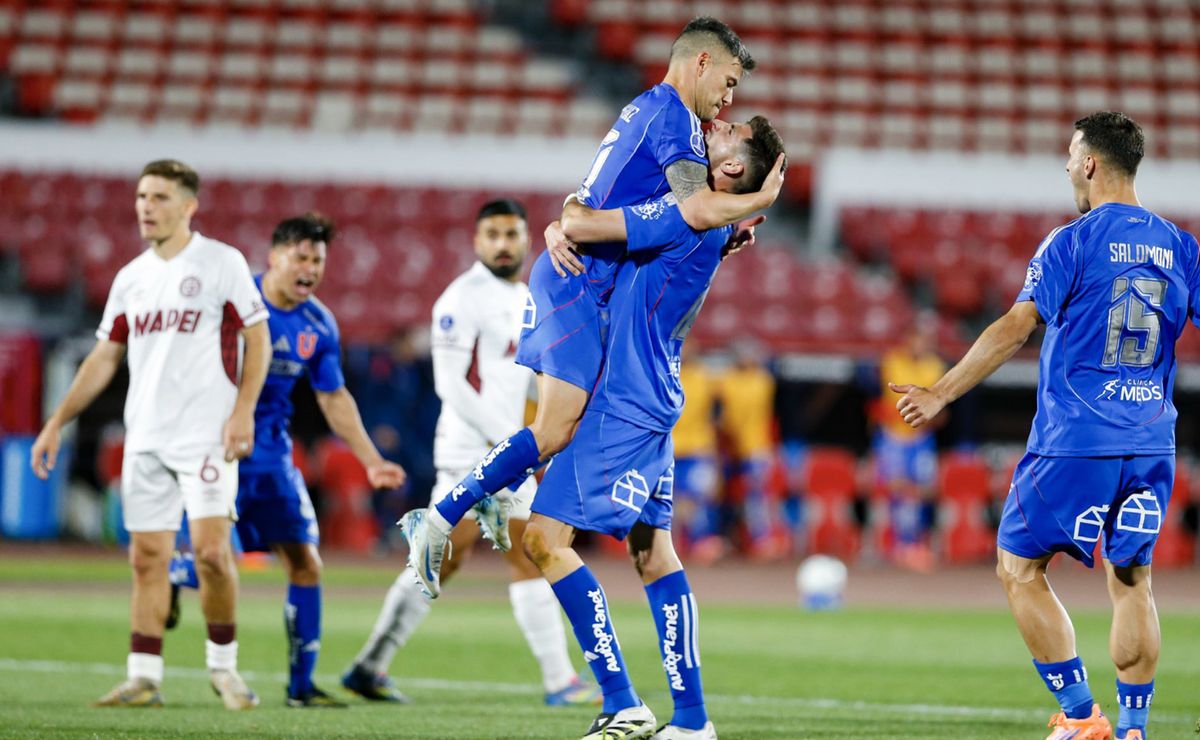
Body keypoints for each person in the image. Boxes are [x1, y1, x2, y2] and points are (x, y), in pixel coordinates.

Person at [404, 16, 785, 599]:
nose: (730, 98)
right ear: (701, 63)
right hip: (577, 282)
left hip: (584, 277)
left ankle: (474, 503)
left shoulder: (652, 109)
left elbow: (611, 199)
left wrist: (569, 215)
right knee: (554, 428)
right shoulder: (677, 121)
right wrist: (761, 199)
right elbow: (695, 208)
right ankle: (437, 521)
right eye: (730, 82)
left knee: (561, 429)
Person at [891, 112, 1194, 740]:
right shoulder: (1181, 246)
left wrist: (943, 390)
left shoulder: (1072, 241)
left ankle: (1083, 718)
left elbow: (1016, 325)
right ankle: (1135, 727)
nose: (1064, 167)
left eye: (1069, 155)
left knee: (1019, 567)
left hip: (1077, 441)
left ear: (1090, 163)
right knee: (1131, 576)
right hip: (1151, 443)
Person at [521, 118, 785, 740]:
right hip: (657, 394)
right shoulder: (708, 224)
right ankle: (691, 721)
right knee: (651, 553)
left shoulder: (690, 213)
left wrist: (564, 223)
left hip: (624, 401)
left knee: (542, 540)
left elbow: (585, 222)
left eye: (727, 133)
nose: (715, 123)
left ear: (727, 172)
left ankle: (620, 702)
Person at [30, 159, 271, 709]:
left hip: (206, 434)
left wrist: (244, 411)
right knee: (145, 558)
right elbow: (104, 356)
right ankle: (143, 677)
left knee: (211, 554)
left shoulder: (220, 262)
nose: (146, 206)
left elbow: (258, 340)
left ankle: (224, 669)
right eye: (141, 196)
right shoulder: (130, 278)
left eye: (159, 197)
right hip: (146, 437)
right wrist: (54, 421)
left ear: (189, 206)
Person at [342, 200, 600, 708]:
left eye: (511, 233)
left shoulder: (527, 296)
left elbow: (523, 380)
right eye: (493, 234)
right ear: (477, 241)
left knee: (486, 556)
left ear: (526, 239)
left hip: (505, 449)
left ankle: (370, 665)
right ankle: (559, 681)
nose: (503, 243)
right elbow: (450, 385)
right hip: (471, 450)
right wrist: (514, 441)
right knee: (480, 555)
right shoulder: (460, 298)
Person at [167, 213, 407, 707]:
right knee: (211, 561)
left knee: (306, 562)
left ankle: (301, 687)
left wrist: (371, 459)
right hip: (213, 446)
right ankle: (176, 571)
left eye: (318, 260)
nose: (310, 269)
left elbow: (333, 396)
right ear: (274, 257)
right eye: (301, 257)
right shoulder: (234, 304)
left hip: (271, 454)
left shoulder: (318, 323)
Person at [874, 322, 945, 570]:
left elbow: (936, 404)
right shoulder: (892, 361)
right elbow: (891, 403)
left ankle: (916, 542)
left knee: (923, 489)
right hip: (894, 435)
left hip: (921, 437)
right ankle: (901, 544)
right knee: (898, 488)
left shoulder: (934, 365)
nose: (921, 345)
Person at [716, 340, 784, 559]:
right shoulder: (726, 379)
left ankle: (762, 540)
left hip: (755, 446)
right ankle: (723, 538)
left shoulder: (762, 380)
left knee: (757, 496)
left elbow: (739, 413)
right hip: (730, 447)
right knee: (722, 496)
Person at [671, 346, 724, 564]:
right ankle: (670, 547)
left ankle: (702, 543)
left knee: (700, 497)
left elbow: (721, 409)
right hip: (669, 448)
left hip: (699, 449)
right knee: (670, 500)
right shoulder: (664, 374)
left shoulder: (706, 377)